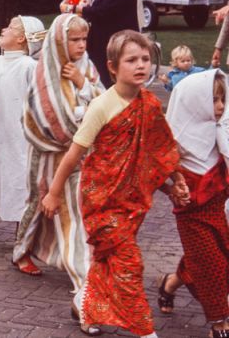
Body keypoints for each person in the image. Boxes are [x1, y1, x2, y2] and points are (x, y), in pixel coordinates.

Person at [41, 30, 186, 338]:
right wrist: (53, 193)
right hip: (101, 199)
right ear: (112, 67)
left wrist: (175, 183)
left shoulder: (150, 104)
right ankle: (145, 331)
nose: (141, 65)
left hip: (132, 201)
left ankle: (83, 305)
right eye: (131, 60)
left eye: (145, 59)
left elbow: (159, 151)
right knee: (129, 264)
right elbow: (73, 155)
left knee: (108, 260)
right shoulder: (102, 106)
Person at [13, 14, 103, 335]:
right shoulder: (44, 71)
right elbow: (42, 115)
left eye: (84, 40)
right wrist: (77, 125)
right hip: (50, 156)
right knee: (40, 205)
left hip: (80, 157)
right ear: (60, 41)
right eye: (74, 40)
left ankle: (85, 283)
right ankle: (23, 249)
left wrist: (82, 84)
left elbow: (102, 100)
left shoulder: (86, 67)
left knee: (75, 217)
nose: (80, 46)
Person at [160, 69, 229, 338]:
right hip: (192, 215)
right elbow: (154, 169)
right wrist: (171, 188)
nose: (220, 106)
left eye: (223, 99)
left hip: (218, 211)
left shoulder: (222, 130)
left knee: (210, 258)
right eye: (213, 100)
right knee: (213, 266)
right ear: (195, 102)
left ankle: (169, 283)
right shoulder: (176, 138)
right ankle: (219, 322)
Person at [0, 15, 45, 237]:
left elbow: (38, 98)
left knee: (18, 177)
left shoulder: (30, 66)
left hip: (20, 135)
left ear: (22, 38)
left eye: (10, 28)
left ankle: (20, 227)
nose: (3, 29)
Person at [77, 0, 140, 87]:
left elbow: (103, 11)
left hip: (111, 39)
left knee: (107, 75)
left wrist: (81, 9)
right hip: (105, 38)